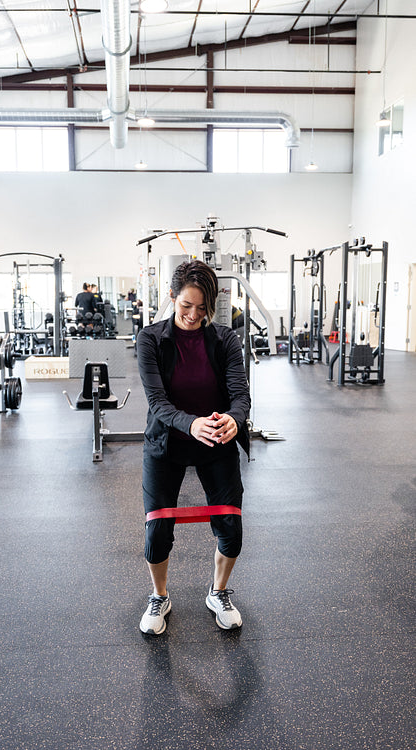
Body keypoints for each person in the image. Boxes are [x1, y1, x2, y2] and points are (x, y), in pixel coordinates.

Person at [136, 260, 250, 635]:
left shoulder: (226, 339)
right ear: (172, 297)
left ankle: (218, 592)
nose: (193, 315)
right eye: (186, 305)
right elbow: (158, 402)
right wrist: (192, 423)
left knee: (231, 526)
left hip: (215, 439)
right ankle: (159, 595)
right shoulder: (150, 339)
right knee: (157, 530)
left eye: (203, 308)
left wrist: (234, 419)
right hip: (167, 441)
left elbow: (240, 396)